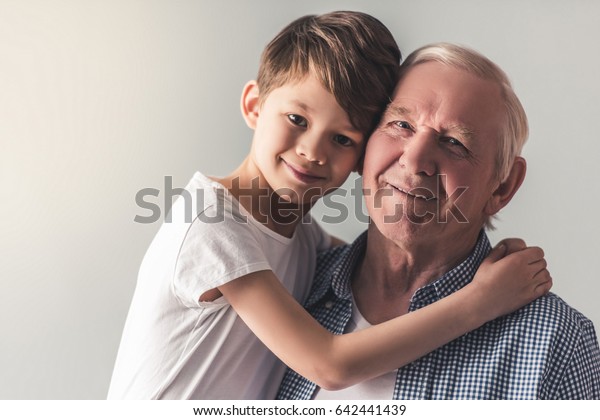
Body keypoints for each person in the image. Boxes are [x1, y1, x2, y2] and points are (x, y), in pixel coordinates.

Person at [107, 14, 551, 400]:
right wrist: (482, 299)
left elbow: (375, 255)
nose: (313, 152)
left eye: (343, 140)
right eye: (297, 120)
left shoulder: (302, 238)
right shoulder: (210, 226)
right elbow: (329, 365)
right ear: (254, 106)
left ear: (361, 159)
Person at [277, 42, 600, 400]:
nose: (415, 160)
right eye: (401, 124)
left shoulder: (555, 342)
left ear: (503, 186)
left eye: (454, 143)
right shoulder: (293, 283)